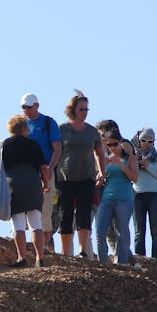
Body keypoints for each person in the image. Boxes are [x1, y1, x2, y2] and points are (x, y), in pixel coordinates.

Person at [0, 114, 49, 268]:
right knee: (36, 222)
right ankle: (40, 257)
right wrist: (46, 183)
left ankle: (21, 258)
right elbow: (43, 167)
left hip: (13, 186)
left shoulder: (3, 144)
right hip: (32, 184)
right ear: (24, 128)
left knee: (17, 224)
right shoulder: (33, 144)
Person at [56, 90, 105, 258]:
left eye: (86, 110)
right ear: (73, 110)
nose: (84, 113)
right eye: (81, 109)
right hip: (65, 177)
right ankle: (64, 253)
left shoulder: (92, 132)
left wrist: (102, 172)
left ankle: (83, 251)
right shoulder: (62, 129)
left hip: (87, 178)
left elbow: (99, 153)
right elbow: (54, 151)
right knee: (65, 215)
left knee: (84, 214)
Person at [21, 93, 62, 254]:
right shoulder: (21, 123)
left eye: (28, 107)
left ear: (37, 106)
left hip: (44, 170)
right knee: (25, 208)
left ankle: (43, 246)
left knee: (45, 208)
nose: (26, 110)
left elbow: (57, 148)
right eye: (24, 107)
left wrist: (50, 169)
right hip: (26, 173)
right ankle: (28, 246)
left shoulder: (48, 122)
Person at [95, 119, 140, 266]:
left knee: (122, 232)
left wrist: (120, 164)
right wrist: (101, 173)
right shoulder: (105, 159)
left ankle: (122, 263)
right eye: (109, 145)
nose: (112, 147)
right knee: (100, 231)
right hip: (107, 198)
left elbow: (134, 177)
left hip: (124, 199)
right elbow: (100, 178)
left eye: (115, 144)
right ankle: (102, 262)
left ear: (120, 142)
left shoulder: (130, 158)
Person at [132, 127, 157, 259]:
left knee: (155, 229)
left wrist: (148, 166)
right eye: (144, 140)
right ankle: (139, 258)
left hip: (156, 195)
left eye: (150, 141)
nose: (147, 144)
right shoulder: (132, 154)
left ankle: (156, 260)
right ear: (139, 140)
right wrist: (137, 163)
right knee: (139, 230)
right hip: (137, 194)